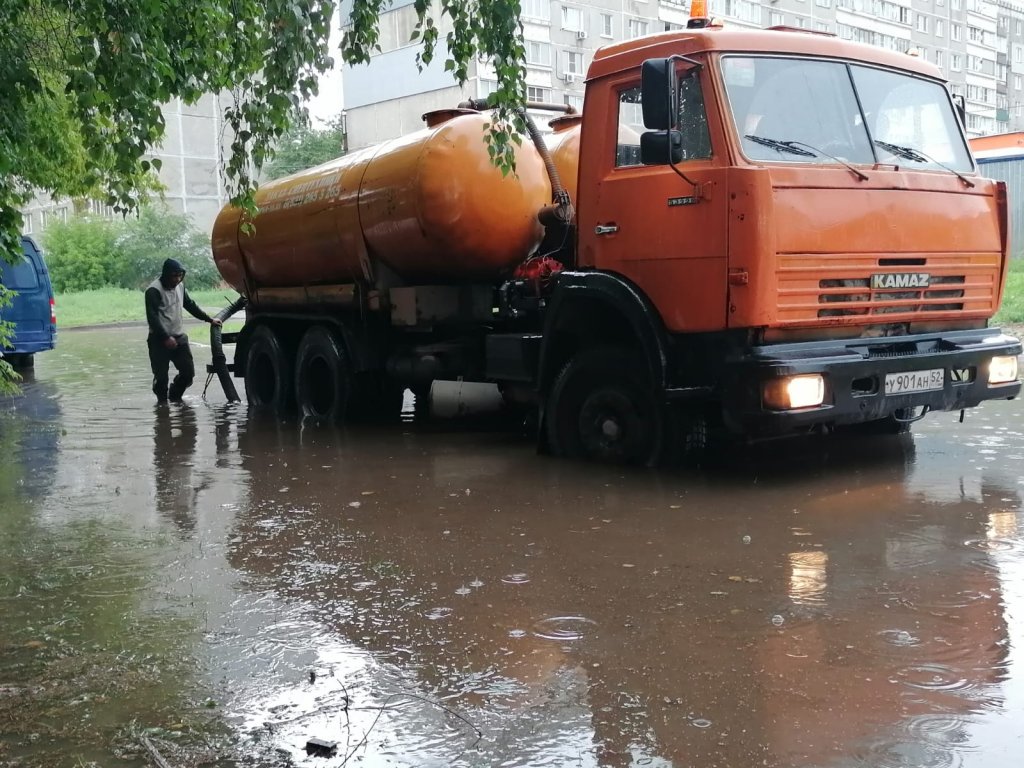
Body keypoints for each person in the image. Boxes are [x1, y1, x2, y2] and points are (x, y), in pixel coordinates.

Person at [145, 258, 221, 403]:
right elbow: (152, 318)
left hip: (179, 338)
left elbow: (190, 305)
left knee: (188, 373)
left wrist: (209, 319)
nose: (177, 279)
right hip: (158, 341)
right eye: (174, 276)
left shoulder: (180, 286)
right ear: (166, 275)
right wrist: (165, 337)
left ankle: (174, 396)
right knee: (161, 378)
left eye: (180, 275)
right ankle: (162, 407)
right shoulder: (153, 290)